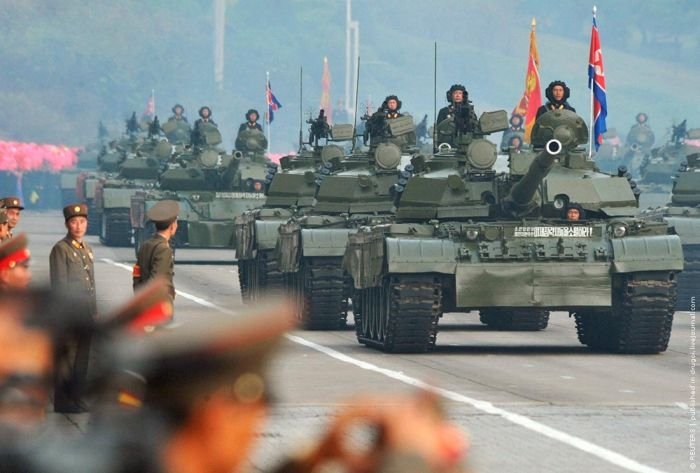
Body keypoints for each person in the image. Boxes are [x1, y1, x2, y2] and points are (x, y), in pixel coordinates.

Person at [49, 204, 96, 413]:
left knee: (82, 360)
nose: (78, 226)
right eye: (74, 222)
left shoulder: (86, 248)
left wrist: (93, 311)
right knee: (67, 359)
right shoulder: (61, 249)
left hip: (86, 313)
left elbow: (91, 283)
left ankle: (77, 398)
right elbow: (59, 284)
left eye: (82, 222)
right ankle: (63, 401)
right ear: (67, 224)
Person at [133, 200, 179, 302]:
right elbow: (156, 281)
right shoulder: (164, 250)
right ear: (172, 226)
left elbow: (137, 275)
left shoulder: (145, 245)